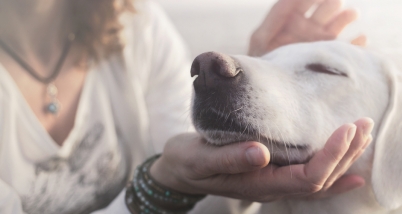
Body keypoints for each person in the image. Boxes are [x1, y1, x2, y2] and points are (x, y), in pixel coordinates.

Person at [0, 0, 373, 213]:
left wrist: (259, 90)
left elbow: (202, 190)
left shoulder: (135, 25)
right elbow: (179, 175)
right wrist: (160, 185)